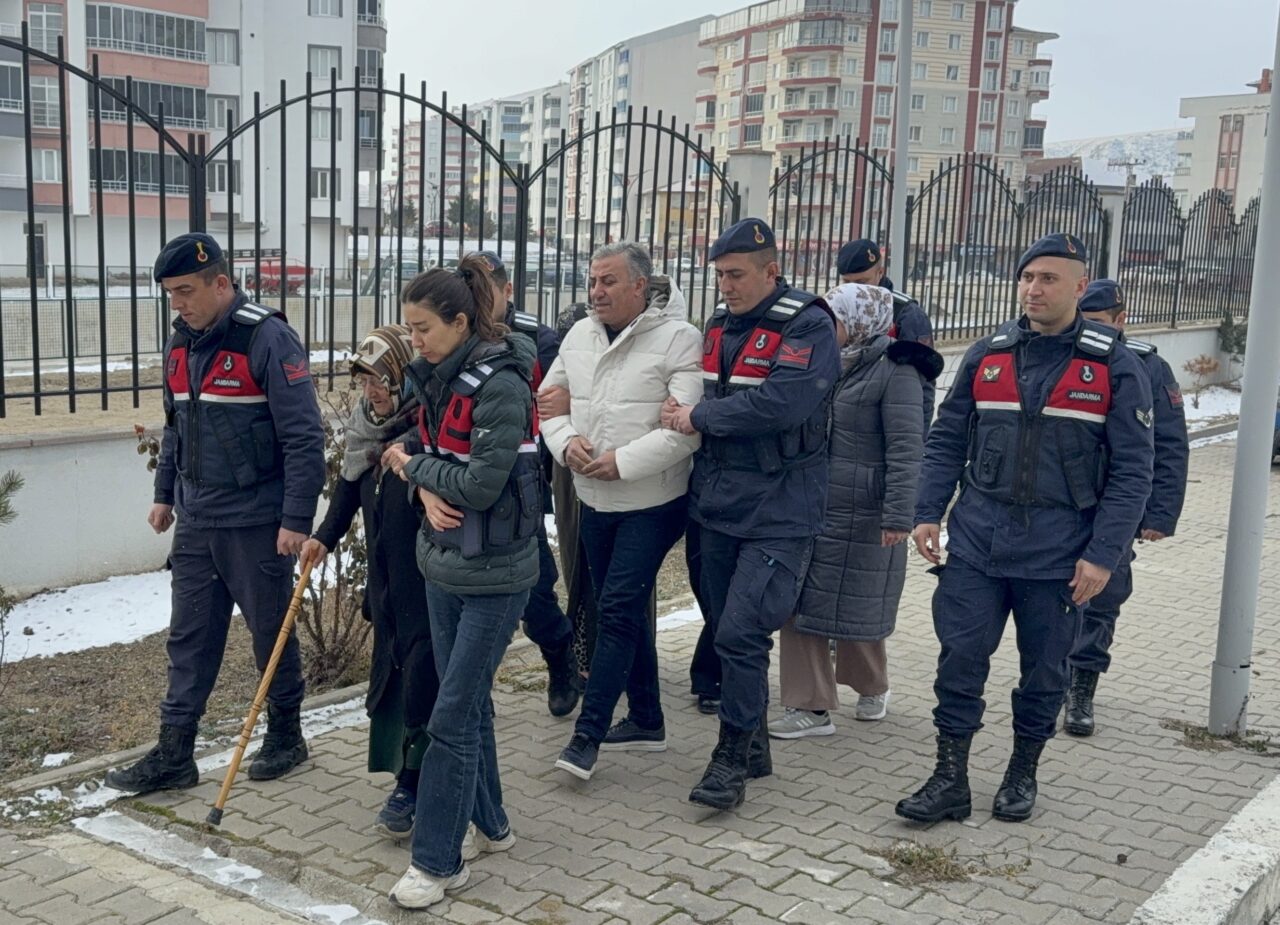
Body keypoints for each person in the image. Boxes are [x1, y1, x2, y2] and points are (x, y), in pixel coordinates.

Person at [896, 234, 1155, 825]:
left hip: (1060, 555)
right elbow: (945, 441)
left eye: (1049, 279)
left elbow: (1134, 470)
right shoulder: (990, 354)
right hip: (979, 544)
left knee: (1044, 671)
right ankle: (949, 779)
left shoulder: (1114, 364)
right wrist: (926, 512)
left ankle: (1021, 772)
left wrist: (1103, 555)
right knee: (959, 660)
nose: (1034, 289)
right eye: (1027, 277)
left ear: (1079, 286)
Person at [105, 233, 325, 795]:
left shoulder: (268, 339)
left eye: (185, 291)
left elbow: (304, 438)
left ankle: (286, 735)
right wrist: (163, 494)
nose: (176, 304)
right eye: (169, 294)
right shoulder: (181, 345)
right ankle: (175, 752)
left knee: (268, 632)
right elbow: (176, 426)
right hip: (198, 518)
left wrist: (296, 520)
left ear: (221, 283)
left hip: (257, 521)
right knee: (190, 636)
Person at [662, 218, 840, 811]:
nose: (726, 286)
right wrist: (679, 406)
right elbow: (701, 391)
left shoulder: (808, 324)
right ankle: (756, 742)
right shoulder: (717, 324)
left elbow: (784, 403)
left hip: (780, 509)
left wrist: (699, 419)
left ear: (772, 269)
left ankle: (730, 760)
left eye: (736, 275)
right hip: (714, 504)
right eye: (719, 275)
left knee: (741, 632)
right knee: (723, 628)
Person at [381, 255, 541, 909]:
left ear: (459, 320)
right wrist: (418, 473)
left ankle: (438, 862)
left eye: (421, 328)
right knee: (466, 705)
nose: (412, 340)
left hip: (497, 573)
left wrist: (416, 470)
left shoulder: (501, 382)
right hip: (442, 562)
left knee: (450, 717)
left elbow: (479, 482)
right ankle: (493, 823)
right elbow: (418, 448)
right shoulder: (436, 377)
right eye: (408, 328)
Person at [536, 242, 702, 781]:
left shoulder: (678, 338)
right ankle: (648, 719)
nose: (596, 292)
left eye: (608, 281)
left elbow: (685, 431)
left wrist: (621, 462)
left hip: (652, 500)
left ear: (640, 286)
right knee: (620, 610)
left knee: (616, 608)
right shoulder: (579, 335)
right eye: (592, 281)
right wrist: (568, 445)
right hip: (594, 498)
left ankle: (588, 734)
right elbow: (548, 402)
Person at [770, 283, 942, 739]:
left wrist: (897, 516)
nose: (828, 328)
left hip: (865, 511)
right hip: (812, 504)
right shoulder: (821, 361)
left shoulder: (896, 370)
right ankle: (809, 707)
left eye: (837, 319)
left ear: (862, 321)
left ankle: (871, 685)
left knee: (858, 606)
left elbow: (908, 450)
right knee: (802, 603)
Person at [299, 324, 438, 838]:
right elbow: (349, 488)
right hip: (386, 589)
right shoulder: (367, 430)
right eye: (363, 381)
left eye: (380, 379)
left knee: (426, 677)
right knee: (394, 679)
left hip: (426, 585)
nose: (372, 391)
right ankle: (405, 777)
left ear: (403, 374)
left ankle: (418, 782)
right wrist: (323, 538)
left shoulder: (424, 432)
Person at [1064, 279, 1188, 737]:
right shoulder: (1065, 354)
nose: (1089, 331)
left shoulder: (1149, 365)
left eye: (1099, 323)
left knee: (1103, 595)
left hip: (1117, 502)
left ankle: (1082, 687)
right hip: (1061, 501)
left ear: (1121, 319)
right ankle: (1053, 675)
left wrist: (1160, 514)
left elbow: (1171, 446)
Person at [477, 251, 579, 717]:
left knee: (533, 591)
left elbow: (559, 403)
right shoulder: (455, 332)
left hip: (520, 487)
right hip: (466, 484)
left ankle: (560, 657)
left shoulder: (539, 339)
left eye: (485, 288)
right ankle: (475, 689)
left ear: (507, 290)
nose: (478, 299)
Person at [836, 238, 936, 434]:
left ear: (880, 273)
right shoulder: (838, 308)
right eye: (846, 282)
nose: (854, 289)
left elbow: (922, 385)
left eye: (861, 282)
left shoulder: (906, 314)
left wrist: (916, 441)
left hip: (888, 425)